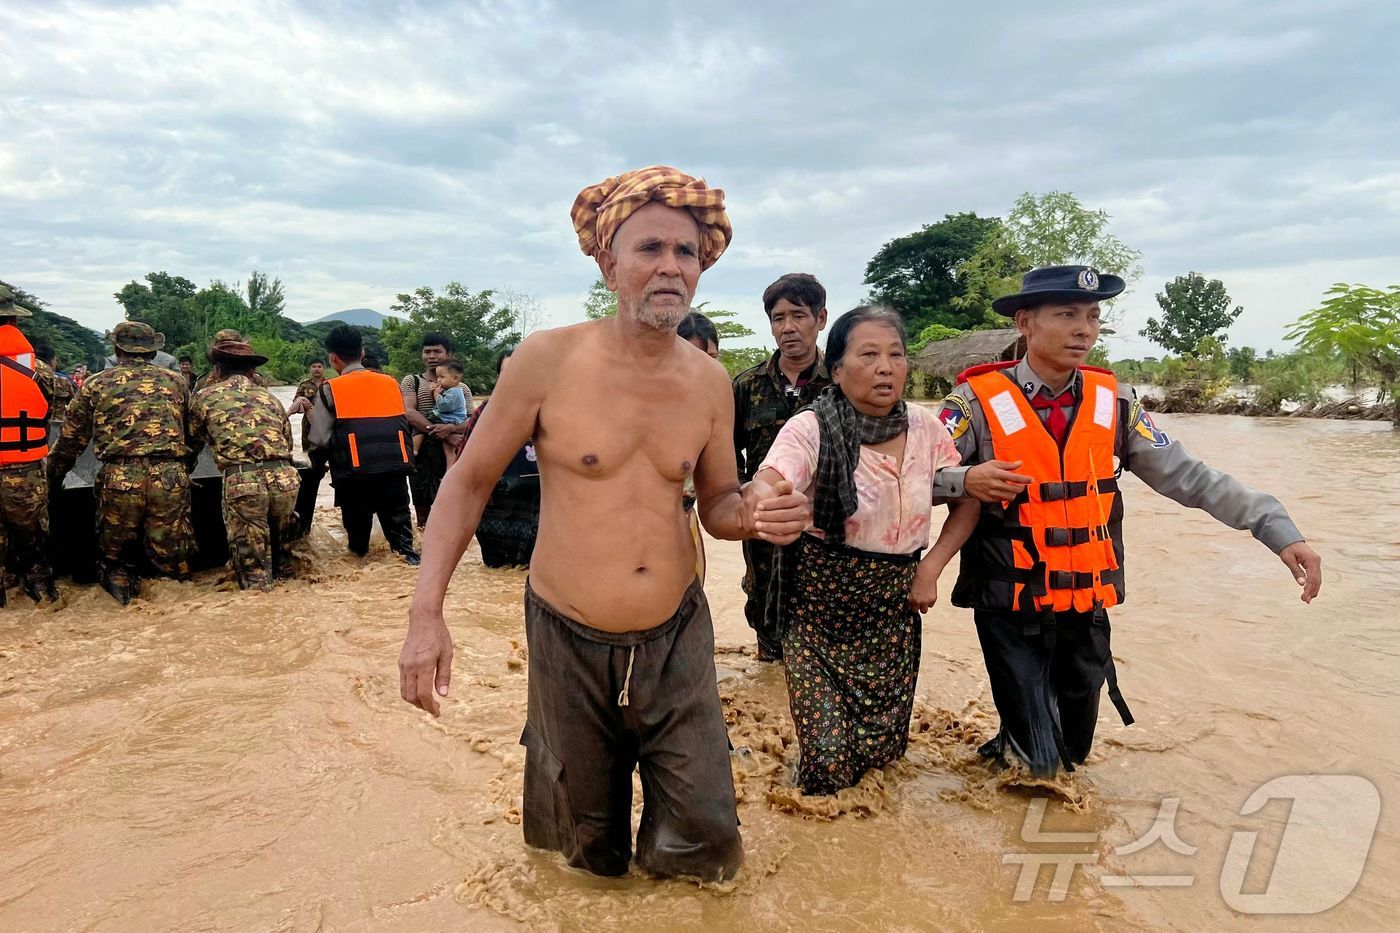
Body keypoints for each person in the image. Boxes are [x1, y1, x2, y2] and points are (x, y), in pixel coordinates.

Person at [399, 165, 811, 882]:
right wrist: (425, 613)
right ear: (606, 261)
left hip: (676, 633)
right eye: (649, 248)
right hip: (565, 631)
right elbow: (467, 482)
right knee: (582, 853)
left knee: (707, 850)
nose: (670, 267)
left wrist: (757, 513)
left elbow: (716, 507)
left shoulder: (709, 382)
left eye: (687, 253)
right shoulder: (547, 360)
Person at [934, 265, 1324, 778]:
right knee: (1041, 772)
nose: (1084, 329)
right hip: (1009, 603)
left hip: (1084, 601)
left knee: (1075, 751)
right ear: (1025, 322)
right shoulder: (972, 405)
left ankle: (1016, 747)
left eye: (1093, 317)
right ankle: (1022, 761)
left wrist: (1276, 528)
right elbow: (909, 479)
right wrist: (966, 481)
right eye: (1068, 315)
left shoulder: (1115, 404)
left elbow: (1192, 478)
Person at [756, 306, 979, 794]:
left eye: (896, 355)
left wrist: (931, 570)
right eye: (869, 354)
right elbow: (773, 479)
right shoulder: (809, 428)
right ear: (836, 369)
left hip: (893, 607)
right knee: (829, 759)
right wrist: (766, 500)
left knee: (881, 757)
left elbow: (968, 497)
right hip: (818, 610)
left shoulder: (927, 429)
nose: (886, 366)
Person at [50, 321, 193, 604]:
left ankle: (123, 604)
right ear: (153, 351)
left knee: (114, 559)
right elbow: (190, 430)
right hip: (170, 479)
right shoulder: (177, 382)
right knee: (170, 560)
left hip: (121, 480)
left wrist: (52, 477)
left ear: (116, 349)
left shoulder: (96, 383)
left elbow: (71, 440)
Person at [732, 272, 833, 661]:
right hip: (764, 524)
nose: (788, 327)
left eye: (799, 315)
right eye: (778, 318)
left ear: (820, 319)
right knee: (764, 603)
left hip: (825, 524)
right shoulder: (747, 386)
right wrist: (745, 495)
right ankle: (770, 675)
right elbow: (725, 452)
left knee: (824, 610)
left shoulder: (841, 385)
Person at [188, 341, 302, 590]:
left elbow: (191, 443)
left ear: (216, 371)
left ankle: (261, 614)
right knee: (283, 559)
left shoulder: (204, 397)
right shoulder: (270, 398)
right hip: (286, 480)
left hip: (244, 484)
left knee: (253, 569)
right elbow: (287, 442)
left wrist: (184, 473)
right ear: (252, 372)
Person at [308, 325, 420, 565]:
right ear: (362, 353)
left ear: (333, 358)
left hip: (354, 479)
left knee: (358, 552)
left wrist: (315, 468)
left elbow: (318, 439)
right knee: (403, 549)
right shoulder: (391, 383)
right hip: (396, 474)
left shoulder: (330, 388)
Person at [0, 286, 60, 605]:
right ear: (13, 321)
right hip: (25, 473)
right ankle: (41, 588)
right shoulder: (39, 371)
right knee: (32, 543)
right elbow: (54, 409)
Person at [457, 348, 540, 568]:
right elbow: (464, 463)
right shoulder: (485, 413)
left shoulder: (553, 414)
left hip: (539, 509)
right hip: (495, 509)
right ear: (498, 378)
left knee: (532, 573)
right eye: (508, 373)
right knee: (497, 571)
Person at [400, 333, 460, 527]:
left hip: (451, 449)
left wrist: (450, 430)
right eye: (427, 351)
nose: (431, 356)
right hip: (422, 450)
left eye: (437, 351)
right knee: (422, 509)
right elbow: (409, 412)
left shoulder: (461, 387)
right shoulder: (412, 381)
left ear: (448, 354)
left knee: (452, 506)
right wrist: (439, 432)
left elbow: (471, 418)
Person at [289, 360, 329, 536]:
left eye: (319, 366)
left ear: (324, 368)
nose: (317, 369)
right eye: (314, 366)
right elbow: (296, 404)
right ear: (310, 369)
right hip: (309, 429)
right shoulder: (304, 385)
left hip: (328, 425)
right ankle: (316, 473)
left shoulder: (330, 384)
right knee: (310, 460)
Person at [417, 359, 469, 466]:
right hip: (450, 419)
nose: (438, 380)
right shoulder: (449, 390)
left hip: (450, 419)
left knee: (420, 423)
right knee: (449, 451)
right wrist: (433, 392)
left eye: (442, 377)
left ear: (455, 378)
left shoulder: (455, 392)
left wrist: (436, 395)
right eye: (438, 377)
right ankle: (448, 473)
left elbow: (444, 406)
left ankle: (414, 449)